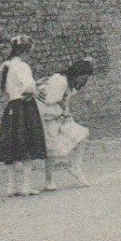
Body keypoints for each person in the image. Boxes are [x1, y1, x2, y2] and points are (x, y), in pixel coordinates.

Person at [0, 35, 48, 196]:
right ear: (26, 50)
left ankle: (12, 186)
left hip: (12, 106)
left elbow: (11, 85)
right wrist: (36, 89)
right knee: (27, 145)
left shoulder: (7, 66)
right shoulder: (23, 66)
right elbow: (28, 87)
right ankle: (26, 186)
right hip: (25, 107)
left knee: (12, 146)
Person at [38, 57, 95, 190]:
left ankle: (75, 166)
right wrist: (61, 113)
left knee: (81, 135)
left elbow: (65, 102)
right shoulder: (60, 82)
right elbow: (48, 102)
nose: (84, 81)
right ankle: (48, 180)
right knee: (52, 149)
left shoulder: (69, 83)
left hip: (60, 116)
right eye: (83, 77)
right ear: (77, 74)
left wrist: (66, 115)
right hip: (49, 116)